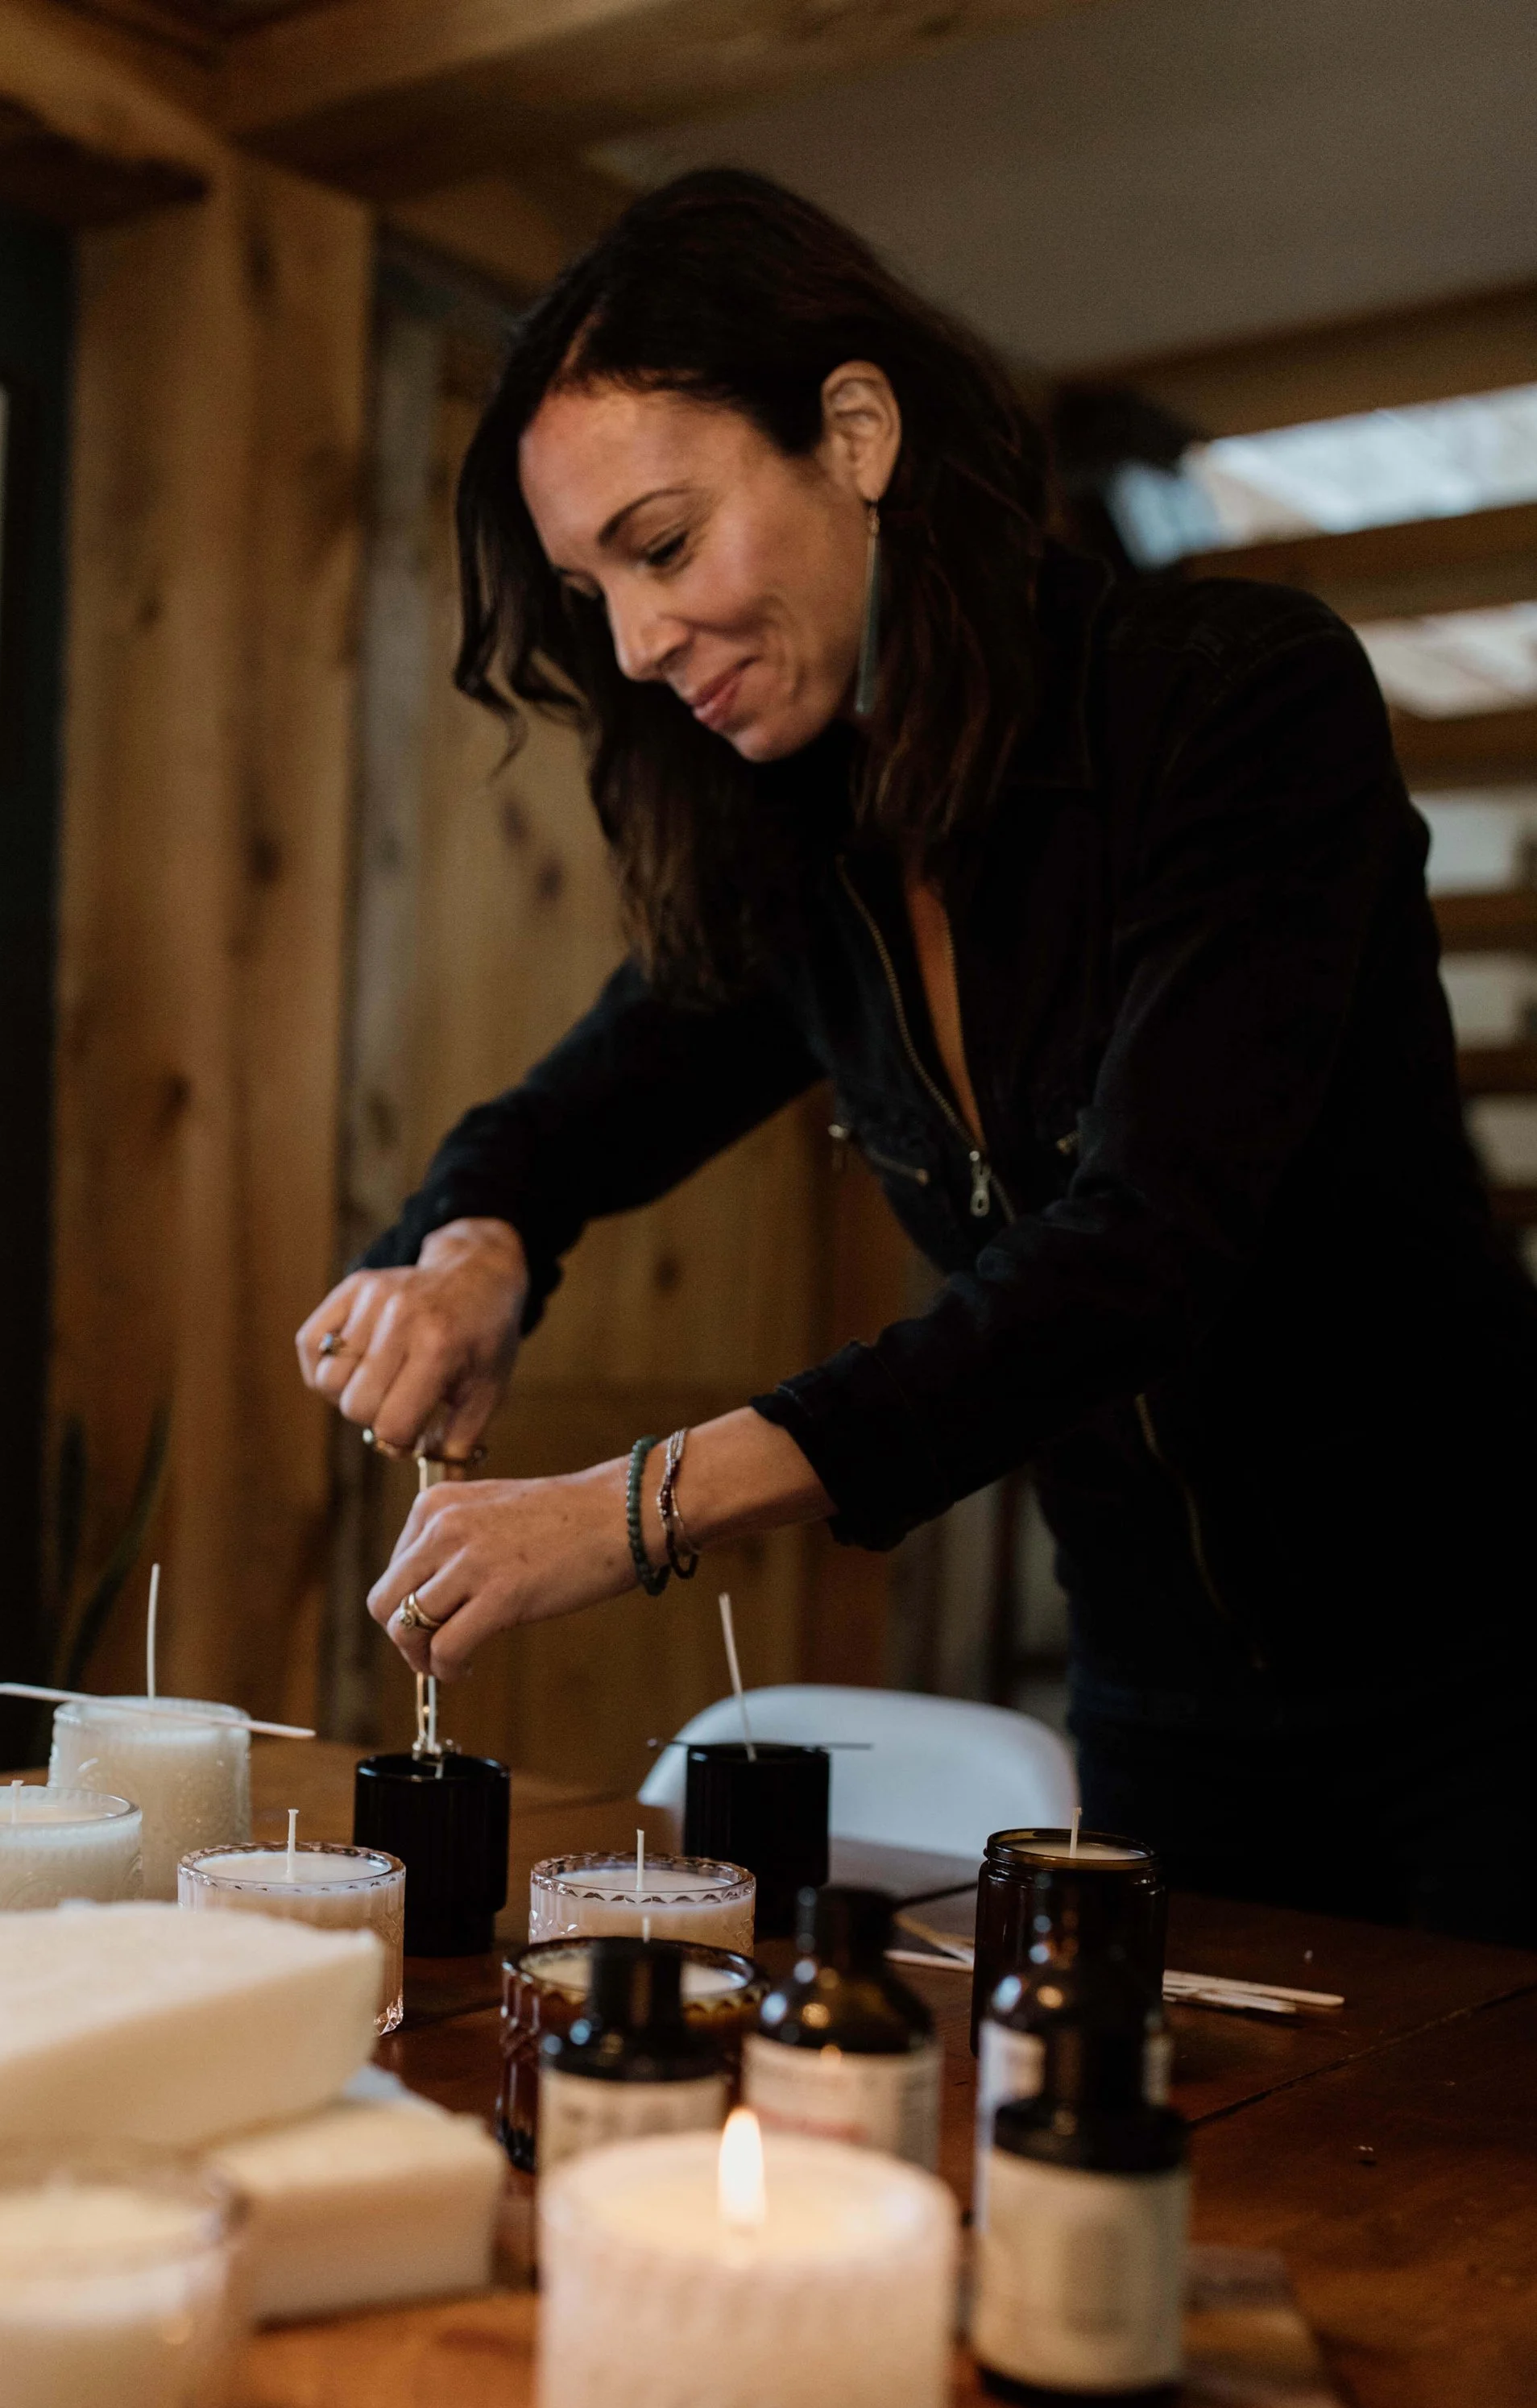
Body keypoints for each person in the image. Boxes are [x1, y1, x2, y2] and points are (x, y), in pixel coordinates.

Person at [296, 169, 1537, 1943]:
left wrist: (639, 1506)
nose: (639, 646)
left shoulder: (1229, 700)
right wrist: (473, 1255)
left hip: (1477, 1672)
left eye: (659, 546)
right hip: (1156, 1699)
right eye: (594, 596)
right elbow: (560, 1122)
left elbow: (1137, 1253)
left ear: (854, 431)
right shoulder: (798, 850)